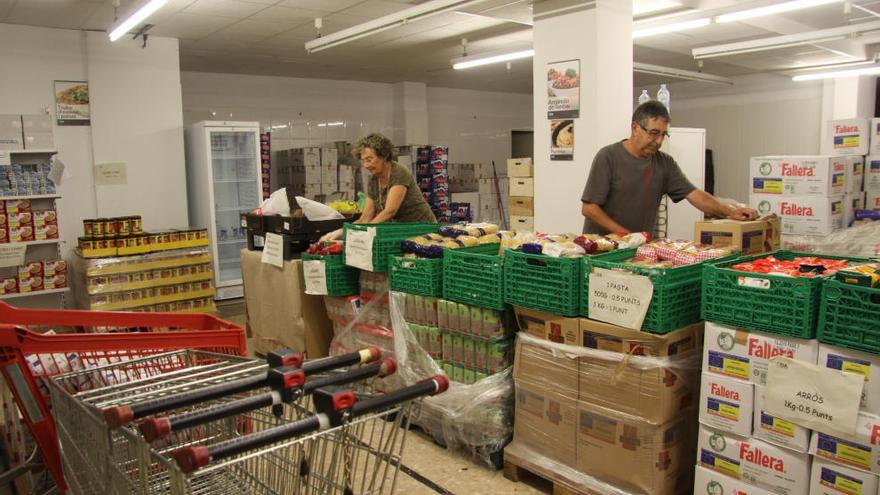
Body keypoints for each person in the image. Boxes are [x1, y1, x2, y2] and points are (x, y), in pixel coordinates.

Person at [581, 101, 757, 235]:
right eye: (654, 133)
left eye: (663, 135)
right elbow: (589, 208)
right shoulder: (608, 157)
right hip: (600, 252)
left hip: (638, 251)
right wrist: (626, 236)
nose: (659, 141)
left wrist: (730, 212)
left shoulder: (664, 163)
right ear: (635, 128)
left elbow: (695, 195)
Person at [320, 133, 436, 241]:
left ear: (384, 156)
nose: (366, 165)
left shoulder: (399, 173)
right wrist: (342, 232)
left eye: (369, 160)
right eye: (363, 161)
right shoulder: (373, 180)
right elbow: (365, 218)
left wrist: (365, 233)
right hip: (401, 231)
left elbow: (389, 211)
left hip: (423, 230)